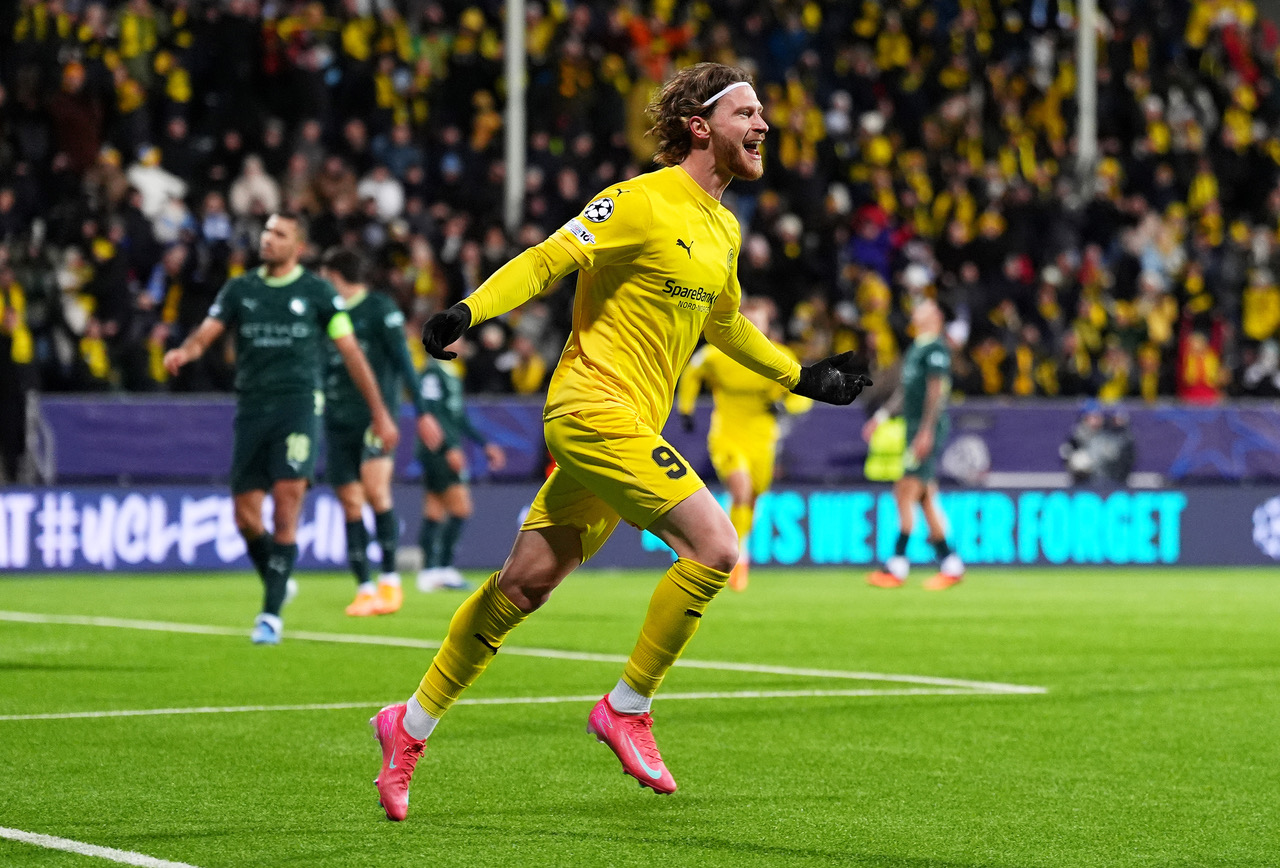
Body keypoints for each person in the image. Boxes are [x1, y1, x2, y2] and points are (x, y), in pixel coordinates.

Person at [367, 63, 871, 822]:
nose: (764, 123)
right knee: (715, 545)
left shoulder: (724, 227)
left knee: (521, 588)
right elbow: (548, 258)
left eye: (763, 111)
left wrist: (803, 377)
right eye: (747, 111)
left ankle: (407, 726)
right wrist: (469, 312)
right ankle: (626, 706)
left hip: (633, 426)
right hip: (589, 406)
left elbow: (725, 324)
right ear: (701, 126)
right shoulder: (638, 200)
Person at [163, 213, 399, 644]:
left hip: (298, 408)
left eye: (279, 234)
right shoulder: (241, 288)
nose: (268, 239)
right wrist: (186, 351)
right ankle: (277, 574)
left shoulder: (318, 293)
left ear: (299, 247)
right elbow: (207, 333)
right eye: (267, 231)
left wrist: (380, 412)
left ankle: (270, 616)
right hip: (252, 408)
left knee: (286, 507)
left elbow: (351, 353)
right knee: (245, 517)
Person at [317, 248, 443, 618]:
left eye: (326, 275)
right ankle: (364, 588)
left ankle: (390, 580)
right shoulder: (326, 312)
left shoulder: (379, 308)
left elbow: (404, 362)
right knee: (350, 503)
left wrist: (421, 412)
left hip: (376, 419)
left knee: (375, 491)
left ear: (335, 274)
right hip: (337, 418)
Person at [676, 297, 812, 591]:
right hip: (726, 435)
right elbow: (691, 372)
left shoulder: (780, 355)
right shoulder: (718, 353)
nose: (754, 328)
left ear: (767, 326)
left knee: (752, 498)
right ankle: (735, 560)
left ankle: (740, 549)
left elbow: (802, 390)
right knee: (742, 491)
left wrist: (787, 407)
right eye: (749, 323)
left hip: (763, 440)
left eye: (759, 323)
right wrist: (685, 408)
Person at [862, 299, 964, 591]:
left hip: (924, 429)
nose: (915, 311)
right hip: (913, 427)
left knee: (905, 489)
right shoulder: (918, 347)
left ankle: (897, 564)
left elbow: (937, 391)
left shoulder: (936, 349)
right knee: (924, 495)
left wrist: (927, 431)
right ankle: (951, 563)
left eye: (922, 308)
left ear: (935, 316)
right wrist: (881, 417)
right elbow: (905, 391)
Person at [415, 338, 507, 592]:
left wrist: (484, 444)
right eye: (455, 338)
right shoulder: (432, 373)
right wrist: (448, 449)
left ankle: (431, 572)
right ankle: (440, 569)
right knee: (461, 508)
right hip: (437, 451)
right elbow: (430, 415)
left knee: (435, 509)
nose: (463, 342)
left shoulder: (451, 372)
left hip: (443, 450)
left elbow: (459, 416)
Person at [1060, 400, 1135, 486]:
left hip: (1110, 484)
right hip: (1084, 486)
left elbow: (1123, 456)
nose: (1098, 419)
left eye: (1099, 416)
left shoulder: (1110, 434)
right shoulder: (1076, 438)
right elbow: (1067, 457)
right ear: (1085, 418)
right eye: (1093, 417)